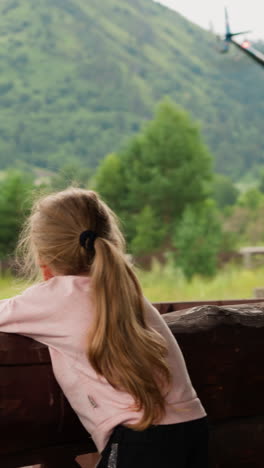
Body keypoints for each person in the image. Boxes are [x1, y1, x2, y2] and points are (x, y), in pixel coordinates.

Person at [0, 188, 208, 468]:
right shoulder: (125, 292)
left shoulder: (52, 298)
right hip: (192, 428)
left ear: (43, 256)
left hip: (140, 438)